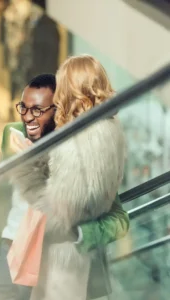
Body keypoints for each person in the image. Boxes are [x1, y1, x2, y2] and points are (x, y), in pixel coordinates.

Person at [0, 73, 129, 300]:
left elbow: (119, 221)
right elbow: (2, 203)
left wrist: (78, 234)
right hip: (4, 253)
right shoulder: (14, 135)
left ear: (58, 110)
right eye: (23, 108)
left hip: (49, 263)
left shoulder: (79, 151)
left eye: (37, 110)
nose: (28, 117)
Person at [12, 55, 127, 300]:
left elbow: (62, 214)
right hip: (72, 251)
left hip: (64, 255)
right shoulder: (106, 127)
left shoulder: (83, 139)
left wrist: (26, 170)